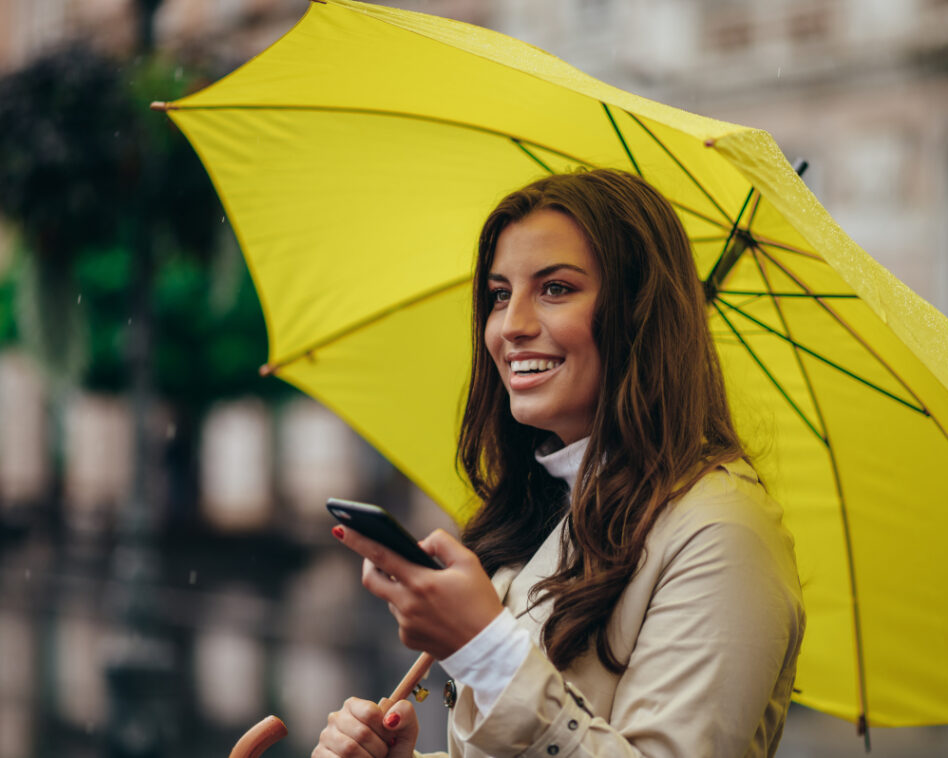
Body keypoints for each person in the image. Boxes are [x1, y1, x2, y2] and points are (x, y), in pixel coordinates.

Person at [314, 169, 805, 758]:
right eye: (499, 295)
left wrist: (487, 650)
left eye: (556, 289)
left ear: (638, 314)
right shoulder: (546, 507)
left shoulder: (724, 534)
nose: (511, 327)